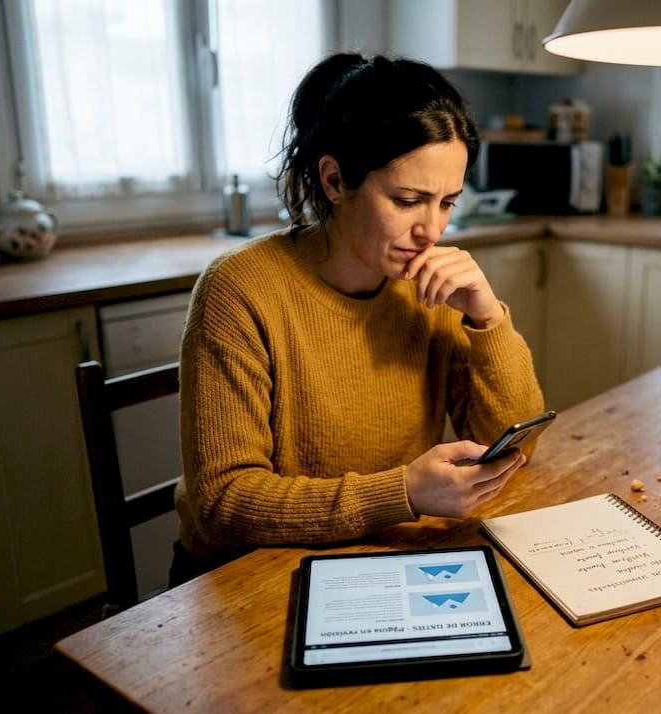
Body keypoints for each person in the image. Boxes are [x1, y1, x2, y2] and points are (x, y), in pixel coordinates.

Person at [170, 53, 546, 583]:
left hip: (377, 559)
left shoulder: (429, 287)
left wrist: (487, 319)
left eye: (447, 203)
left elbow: (511, 444)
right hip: (245, 577)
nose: (431, 231)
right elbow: (224, 505)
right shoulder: (239, 290)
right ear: (335, 180)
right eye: (409, 200)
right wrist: (403, 493)